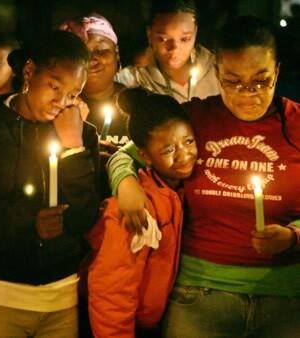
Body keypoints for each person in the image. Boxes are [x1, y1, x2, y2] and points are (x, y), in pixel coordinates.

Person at [108, 16, 300, 337]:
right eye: (233, 81)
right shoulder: (195, 117)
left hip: (285, 299)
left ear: (277, 71)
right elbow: (126, 154)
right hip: (199, 296)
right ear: (218, 74)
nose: (247, 93)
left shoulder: (295, 124)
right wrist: (125, 184)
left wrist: (294, 236)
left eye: (261, 81)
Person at [0, 30, 100, 338]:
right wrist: (29, 224)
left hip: (62, 299)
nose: (62, 102)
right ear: (30, 71)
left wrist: (73, 148)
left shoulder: (82, 134)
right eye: (55, 86)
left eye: (74, 94)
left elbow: (86, 217)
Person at [88, 88, 196, 338]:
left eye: (188, 141)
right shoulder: (133, 208)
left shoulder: (176, 190)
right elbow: (112, 292)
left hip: (152, 322)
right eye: (168, 150)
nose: (184, 155)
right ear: (144, 155)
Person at [60, 13, 127, 199]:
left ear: (117, 53)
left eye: (102, 51)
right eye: (83, 53)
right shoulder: (57, 108)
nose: (92, 60)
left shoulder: (140, 104)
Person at [115, 0, 219, 103]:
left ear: (195, 33)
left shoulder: (217, 70)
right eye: (163, 39)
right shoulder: (135, 79)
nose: (174, 48)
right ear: (149, 34)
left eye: (185, 39)